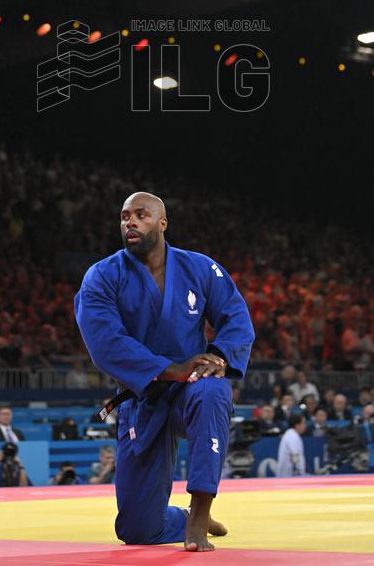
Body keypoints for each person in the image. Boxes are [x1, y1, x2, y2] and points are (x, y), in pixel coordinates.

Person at [74, 191, 254, 552]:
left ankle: (201, 513)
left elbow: (236, 316)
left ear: (162, 222)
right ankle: (183, 515)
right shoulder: (102, 277)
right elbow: (105, 343)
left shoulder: (200, 268)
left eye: (141, 215)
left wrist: (216, 356)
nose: (131, 222)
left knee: (214, 389)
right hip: (144, 395)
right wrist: (171, 368)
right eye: (125, 217)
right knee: (138, 530)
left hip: (192, 388)